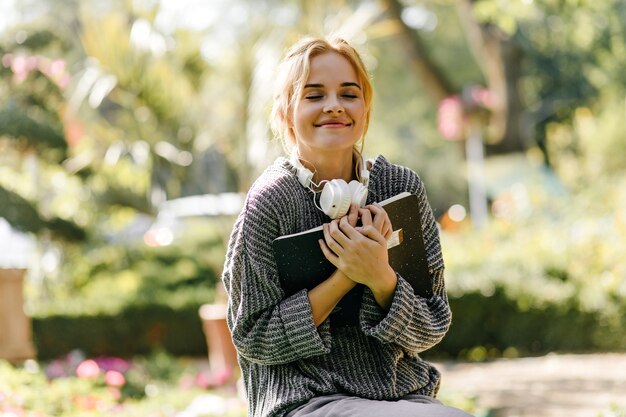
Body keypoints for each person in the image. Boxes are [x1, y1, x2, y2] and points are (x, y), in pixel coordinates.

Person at [221, 36, 472, 417]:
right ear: (286, 113)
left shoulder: (401, 189)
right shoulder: (270, 201)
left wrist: (380, 276)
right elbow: (254, 338)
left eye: (349, 94)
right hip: (305, 401)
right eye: (314, 94)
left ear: (366, 110)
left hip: (403, 398)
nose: (334, 105)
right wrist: (344, 277)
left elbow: (432, 325)